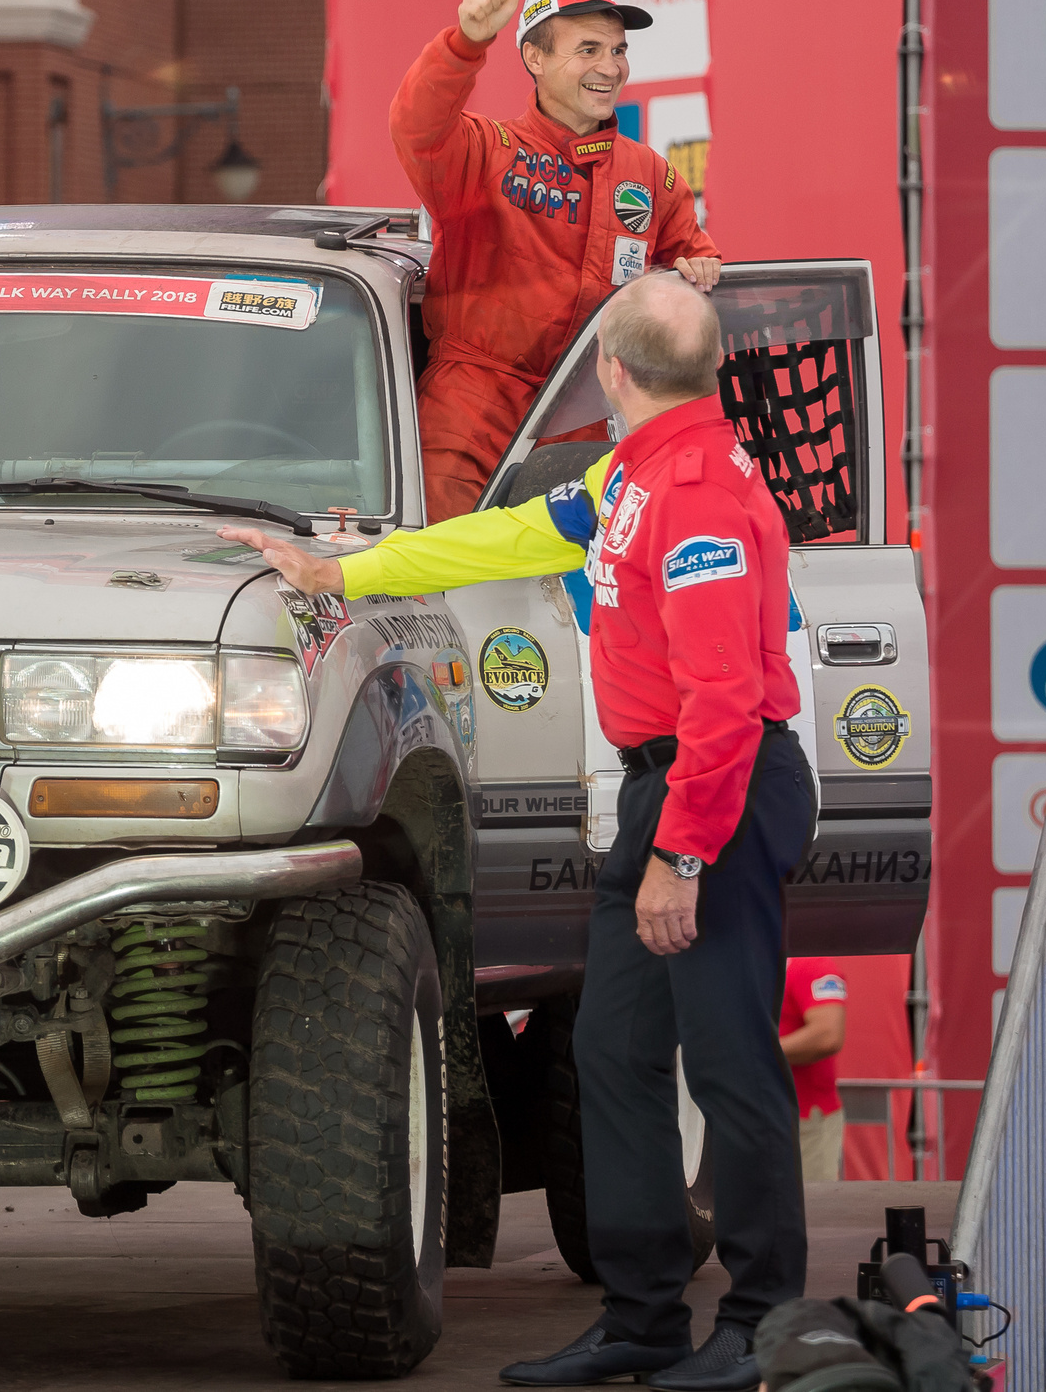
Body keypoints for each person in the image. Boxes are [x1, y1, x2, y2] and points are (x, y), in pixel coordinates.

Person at [221, 272, 811, 1392]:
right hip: (664, 791)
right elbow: (500, 540)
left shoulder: (693, 491)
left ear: (610, 371)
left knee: (731, 1064)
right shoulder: (630, 473)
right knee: (611, 1050)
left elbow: (726, 702)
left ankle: (761, 1323)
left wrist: (681, 855)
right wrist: (341, 575)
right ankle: (641, 1320)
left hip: (712, 792)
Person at [394, 0, 723, 523]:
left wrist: (700, 270)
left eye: (618, 50)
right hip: (471, 417)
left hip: (584, 424)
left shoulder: (651, 175)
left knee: (569, 601)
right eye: (588, 49)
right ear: (535, 58)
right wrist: (465, 43)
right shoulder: (487, 151)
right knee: (445, 587)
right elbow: (417, 128)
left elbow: (694, 257)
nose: (610, 67)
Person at [780, 959, 849, 1183]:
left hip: (805, 1118)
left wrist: (752, 1054)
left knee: (811, 1207)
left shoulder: (811, 965)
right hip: (763, 1115)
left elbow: (828, 1035)